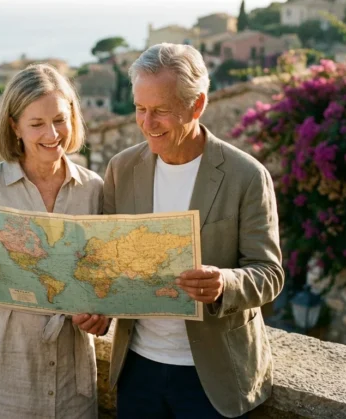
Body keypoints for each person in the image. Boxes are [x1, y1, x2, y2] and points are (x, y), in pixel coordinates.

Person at [78, 43, 285, 418]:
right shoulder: (121, 169)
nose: (146, 123)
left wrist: (223, 283)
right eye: (140, 109)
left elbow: (269, 274)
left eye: (160, 111)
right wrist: (99, 309)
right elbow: (105, 262)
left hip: (216, 378)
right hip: (137, 369)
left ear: (197, 104)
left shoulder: (247, 176)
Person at [0, 63, 105, 419]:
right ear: (14, 126)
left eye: (60, 120)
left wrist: (101, 317)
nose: (52, 133)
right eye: (37, 124)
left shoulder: (94, 190)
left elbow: (101, 283)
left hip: (72, 381)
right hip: (0, 379)